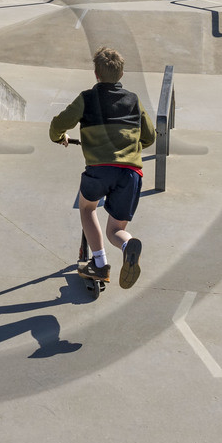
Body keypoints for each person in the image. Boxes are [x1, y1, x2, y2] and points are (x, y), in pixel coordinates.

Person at [49, 47, 156, 290]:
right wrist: (129, 145)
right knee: (116, 230)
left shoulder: (87, 98)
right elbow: (149, 137)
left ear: (96, 74)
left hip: (99, 170)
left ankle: (99, 263)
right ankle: (128, 246)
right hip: (130, 173)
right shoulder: (133, 100)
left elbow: (58, 124)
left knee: (87, 208)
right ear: (122, 74)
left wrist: (59, 137)